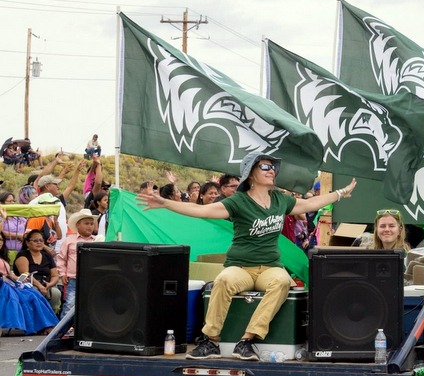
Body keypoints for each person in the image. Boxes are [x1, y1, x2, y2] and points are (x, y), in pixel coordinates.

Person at [138, 150, 357, 361]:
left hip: (270, 267)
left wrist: (340, 193)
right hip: (240, 267)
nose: (271, 170)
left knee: (282, 281)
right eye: (265, 166)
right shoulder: (238, 201)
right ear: (251, 174)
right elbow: (202, 211)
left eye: (273, 167)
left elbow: (310, 204)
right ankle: (211, 340)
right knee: (222, 281)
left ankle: (247, 340)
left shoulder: (280, 200)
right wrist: (165, 203)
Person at [56, 209, 97, 319]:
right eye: (86, 223)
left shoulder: (97, 241)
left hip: (92, 278)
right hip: (73, 278)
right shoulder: (69, 241)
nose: (89, 226)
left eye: (91, 224)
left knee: (91, 303)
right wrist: (62, 273)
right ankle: (63, 330)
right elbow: (61, 259)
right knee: (70, 303)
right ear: (78, 225)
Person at [14, 229, 61, 314]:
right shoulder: (23, 255)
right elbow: (25, 274)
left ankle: (51, 318)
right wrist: (40, 286)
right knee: (35, 291)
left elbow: (55, 275)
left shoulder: (47, 256)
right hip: (28, 284)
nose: (39, 243)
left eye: (41, 240)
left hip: (46, 284)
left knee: (55, 293)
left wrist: (50, 284)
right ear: (28, 243)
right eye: (35, 241)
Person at [0, 191, 25, 263]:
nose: (13, 203)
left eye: (13, 201)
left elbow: (26, 228)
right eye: (10, 201)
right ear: (1, 203)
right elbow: (1, 232)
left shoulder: (18, 216)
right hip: (5, 253)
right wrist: (19, 236)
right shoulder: (1, 217)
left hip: (21, 252)